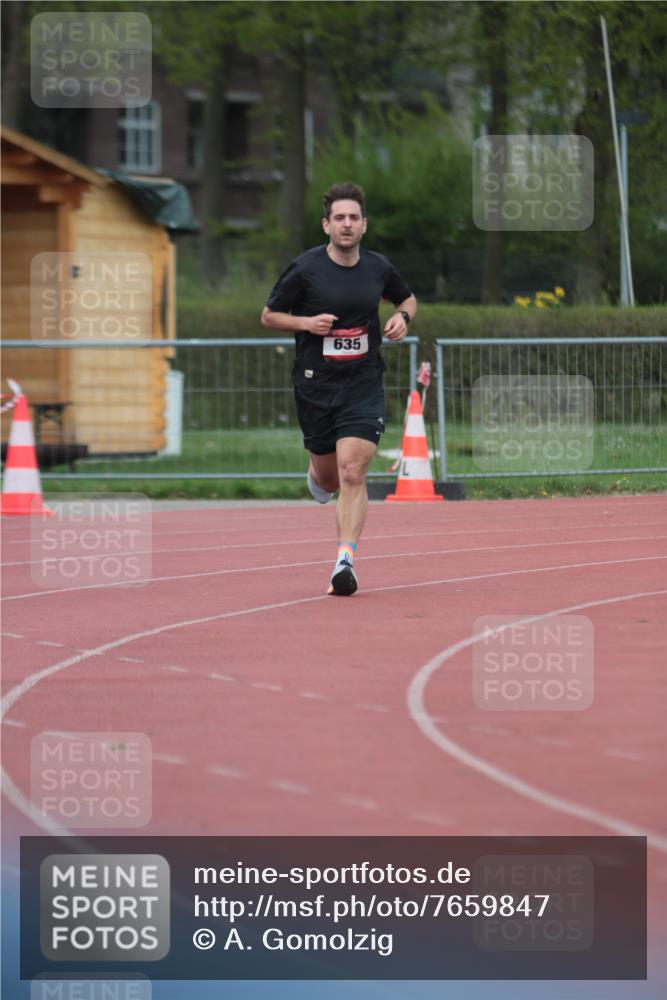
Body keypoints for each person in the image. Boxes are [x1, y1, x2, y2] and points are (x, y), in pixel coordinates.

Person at [261, 181, 417, 596]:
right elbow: (269, 315)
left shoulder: (378, 268)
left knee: (353, 470)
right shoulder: (305, 269)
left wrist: (403, 317)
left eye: (353, 218)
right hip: (316, 384)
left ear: (364, 225)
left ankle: (344, 560)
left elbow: (408, 298)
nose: (346, 225)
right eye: (339, 219)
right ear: (326, 225)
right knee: (330, 478)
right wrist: (306, 324)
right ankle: (315, 474)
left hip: (363, 382)